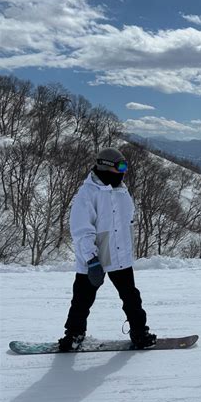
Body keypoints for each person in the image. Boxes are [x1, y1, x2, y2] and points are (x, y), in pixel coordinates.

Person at [58, 147, 156, 351]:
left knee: (131, 297)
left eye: (125, 167)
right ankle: (74, 335)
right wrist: (91, 259)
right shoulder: (87, 194)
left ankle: (139, 333)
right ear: (106, 167)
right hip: (95, 257)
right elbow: (81, 230)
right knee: (82, 300)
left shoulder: (121, 190)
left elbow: (125, 224)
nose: (124, 171)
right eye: (120, 166)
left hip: (120, 256)